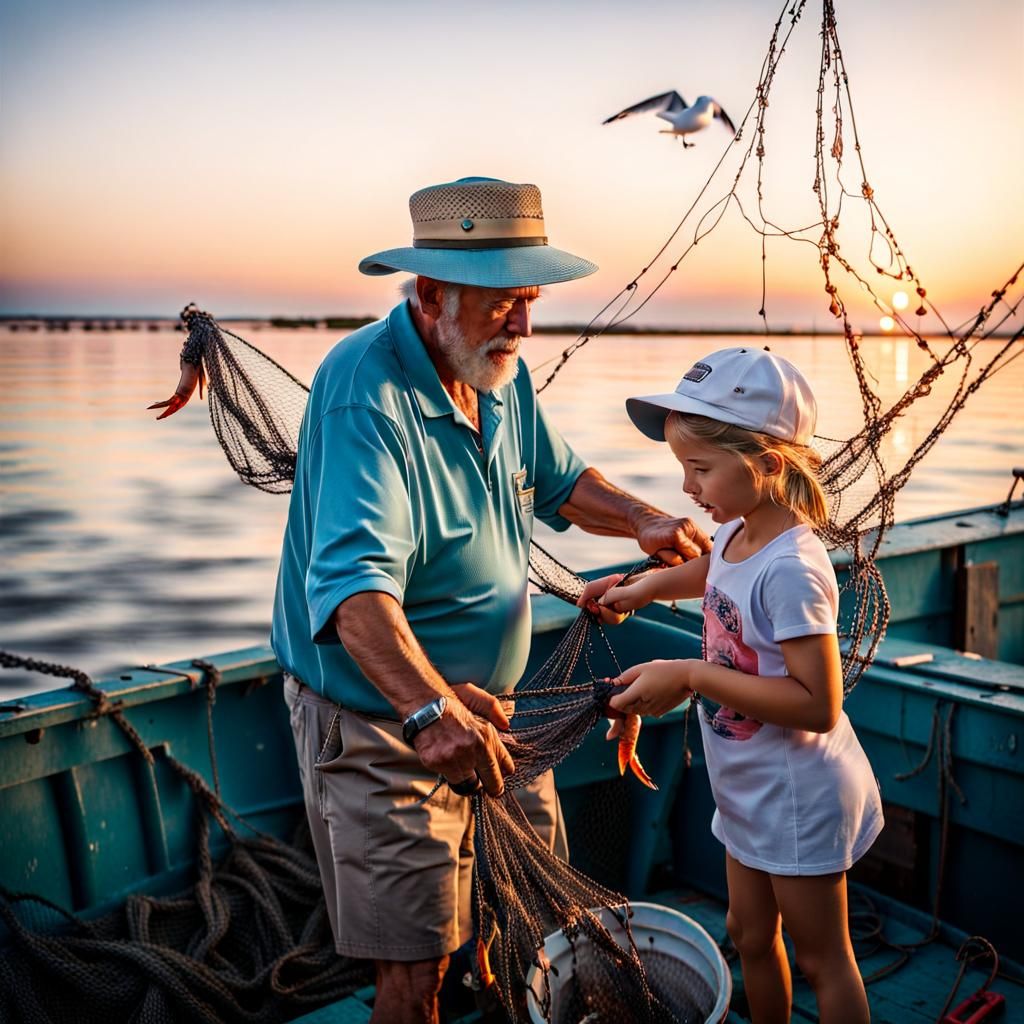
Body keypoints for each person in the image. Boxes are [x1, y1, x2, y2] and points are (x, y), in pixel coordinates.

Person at [270, 176, 710, 1024]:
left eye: (532, 301)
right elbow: (354, 592)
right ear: (431, 295)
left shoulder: (499, 372)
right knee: (417, 967)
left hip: (496, 717)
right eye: (506, 302)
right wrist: (431, 712)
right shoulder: (368, 392)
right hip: (385, 722)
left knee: (530, 921)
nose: (525, 324)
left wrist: (642, 518)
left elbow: (555, 480)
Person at [579, 347, 883, 1024]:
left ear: (768, 465)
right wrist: (640, 591)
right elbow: (710, 575)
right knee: (749, 936)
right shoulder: (739, 531)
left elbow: (818, 704)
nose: (688, 488)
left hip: (798, 797)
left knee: (822, 959)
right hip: (748, 784)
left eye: (702, 469)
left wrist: (690, 675)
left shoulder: (794, 569)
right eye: (684, 468)